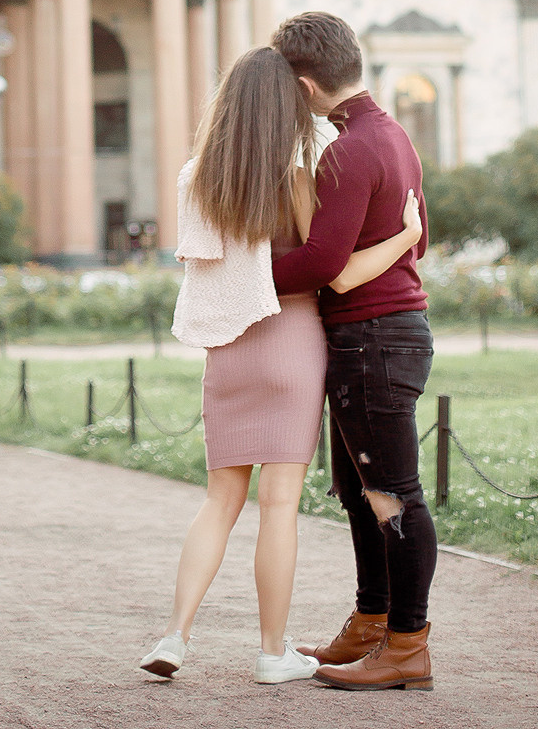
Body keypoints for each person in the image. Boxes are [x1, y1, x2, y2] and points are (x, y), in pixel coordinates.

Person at [139, 46, 422, 687]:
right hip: (292, 341)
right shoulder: (298, 177)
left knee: (218, 502)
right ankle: (271, 653)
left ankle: (175, 635)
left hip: (229, 348)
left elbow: (204, 267)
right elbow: (336, 270)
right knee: (280, 508)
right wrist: (406, 238)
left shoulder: (195, 180)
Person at [268, 11, 436, 694]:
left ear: (305, 86)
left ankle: (407, 645)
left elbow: (322, 264)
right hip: (380, 334)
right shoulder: (391, 135)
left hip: (373, 337)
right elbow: (415, 241)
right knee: (363, 496)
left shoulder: (348, 151)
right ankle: (372, 624)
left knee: (394, 497)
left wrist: (230, 273)